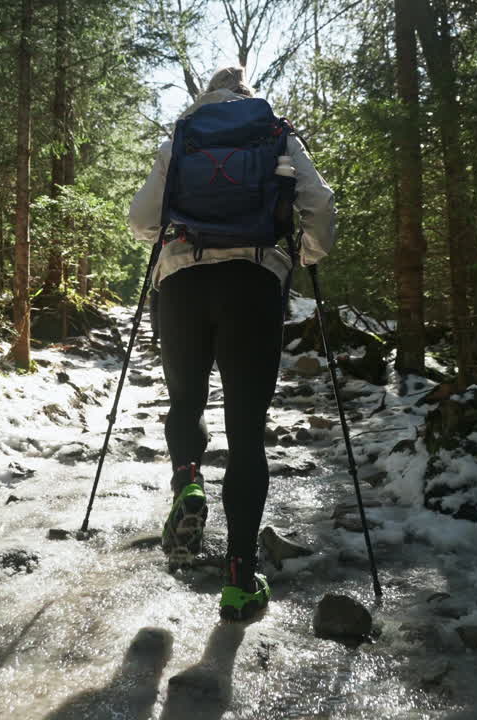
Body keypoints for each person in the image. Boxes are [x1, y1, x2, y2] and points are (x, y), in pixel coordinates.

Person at [127, 66, 336, 621]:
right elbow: (320, 205)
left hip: (181, 285)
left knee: (187, 402)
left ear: (206, 95)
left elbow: (141, 218)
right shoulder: (274, 132)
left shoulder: (184, 136)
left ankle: (187, 483)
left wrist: (170, 238)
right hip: (253, 283)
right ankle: (241, 579)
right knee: (246, 430)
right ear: (248, 96)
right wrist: (307, 255)